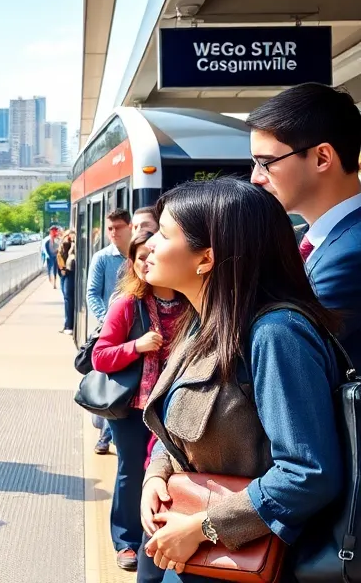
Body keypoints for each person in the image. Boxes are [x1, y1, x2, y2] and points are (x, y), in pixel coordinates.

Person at [139, 178, 342, 581]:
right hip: (192, 553)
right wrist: (155, 476)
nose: (150, 246)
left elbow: (308, 473)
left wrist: (204, 527)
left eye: (164, 233)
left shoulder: (276, 334)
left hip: (241, 561)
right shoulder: (203, 325)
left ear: (206, 258)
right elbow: (178, 428)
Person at [90, 231, 187, 572]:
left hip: (178, 407)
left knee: (168, 475)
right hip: (134, 408)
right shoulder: (128, 304)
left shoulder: (192, 301)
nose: (149, 261)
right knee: (132, 472)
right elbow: (100, 357)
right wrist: (137, 346)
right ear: (132, 263)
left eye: (154, 253)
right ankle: (127, 541)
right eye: (141, 256)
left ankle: (162, 537)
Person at [247, 82, 361, 363]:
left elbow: (282, 349)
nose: (255, 178)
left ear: (322, 157)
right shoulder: (312, 239)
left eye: (266, 163)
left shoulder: (350, 254)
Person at [88, 208, 133, 455]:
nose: (113, 233)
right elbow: (92, 293)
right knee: (111, 385)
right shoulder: (102, 258)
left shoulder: (140, 255)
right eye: (109, 229)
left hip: (136, 336)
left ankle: (108, 434)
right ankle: (106, 435)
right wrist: (108, 321)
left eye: (117, 228)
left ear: (130, 227)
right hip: (112, 334)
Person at [59, 230, 77, 335]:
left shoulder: (68, 241)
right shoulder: (69, 241)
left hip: (68, 271)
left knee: (68, 298)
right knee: (68, 298)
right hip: (67, 270)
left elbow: (62, 254)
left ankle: (68, 325)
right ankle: (68, 324)